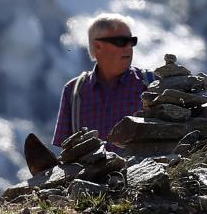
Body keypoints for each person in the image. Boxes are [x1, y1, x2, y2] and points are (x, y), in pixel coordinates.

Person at [50, 15, 151, 149]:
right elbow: (65, 150)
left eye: (132, 41)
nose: (129, 47)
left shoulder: (151, 84)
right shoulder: (73, 92)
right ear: (97, 46)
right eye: (121, 41)